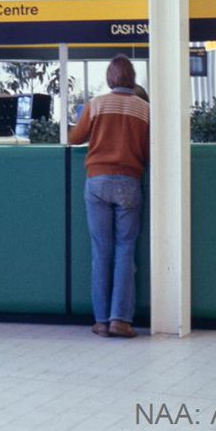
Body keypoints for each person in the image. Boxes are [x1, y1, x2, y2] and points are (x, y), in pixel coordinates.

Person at [67, 54, 149, 340]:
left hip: (97, 181)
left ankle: (101, 321)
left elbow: (74, 138)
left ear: (109, 78)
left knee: (101, 250)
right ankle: (121, 320)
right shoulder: (144, 109)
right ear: (133, 77)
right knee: (126, 249)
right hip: (129, 181)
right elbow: (151, 150)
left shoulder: (96, 104)